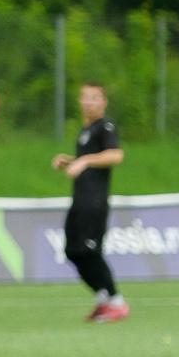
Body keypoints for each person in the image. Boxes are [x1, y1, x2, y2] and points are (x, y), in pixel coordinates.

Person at [55, 82, 127, 321]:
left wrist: (84, 161)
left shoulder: (106, 126)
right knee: (72, 251)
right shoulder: (85, 131)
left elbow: (115, 155)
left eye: (95, 98)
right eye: (85, 97)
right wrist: (71, 160)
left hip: (94, 203)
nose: (89, 102)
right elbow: (89, 160)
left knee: (90, 251)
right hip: (79, 201)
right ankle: (102, 297)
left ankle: (116, 301)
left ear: (104, 102)